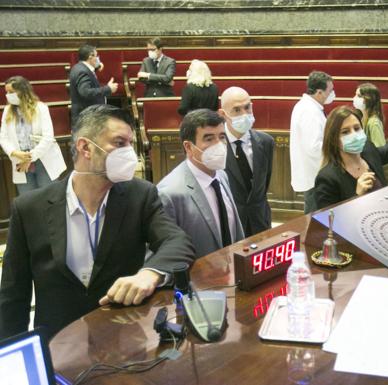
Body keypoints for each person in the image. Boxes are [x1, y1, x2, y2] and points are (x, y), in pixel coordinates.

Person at [0, 104, 195, 339]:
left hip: (124, 338)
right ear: (85, 148)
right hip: (59, 343)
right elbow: (13, 295)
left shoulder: (140, 195)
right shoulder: (30, 208)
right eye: (119, 143)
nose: (130, 154)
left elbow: (177, 241)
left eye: (130, 145)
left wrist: (149, 273)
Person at [157, 108, 244, 257]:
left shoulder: (221, 176)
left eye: (222, 137)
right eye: (209, 139)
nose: (219, 145)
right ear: (189, 147)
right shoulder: (168, 193)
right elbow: (165, 254)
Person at [219, 86, 275, 236]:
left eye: (247, 107)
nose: (244, 114)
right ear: (223, 114)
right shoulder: (215, 147)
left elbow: (263, 185)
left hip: (260, 222)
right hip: (230, 225)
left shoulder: (266, 142)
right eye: (237, 110)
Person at [1, 76, 66, 194]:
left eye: (11, 92)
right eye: (7, 92)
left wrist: (30, 158)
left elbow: (48, 137)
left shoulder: (40, 108)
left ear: (22, 91)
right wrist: (15, 153)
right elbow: (3, 137)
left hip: (43, 159)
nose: (8, 95)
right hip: (20, 160)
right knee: (28, 201)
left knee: (49, 198)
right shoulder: (7, 111)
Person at [290, 71, 335, 213]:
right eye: (330, 90)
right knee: (315, 219)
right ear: (319, 92)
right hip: (315, 176)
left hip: (315, 174)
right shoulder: (309, 111)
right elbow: (314, 147)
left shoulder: (310, 107)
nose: (333, 94)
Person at [69, 44, 118, 131]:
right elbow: (85, 92)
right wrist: (108, 89)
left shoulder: (78, 67)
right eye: (96, 56)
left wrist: (95, 67)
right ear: (90, 56)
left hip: (86, 116)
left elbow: (87, 78)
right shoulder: (82, 71)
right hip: (87, 118)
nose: (98, 59)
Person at [353, 82, 386, 147]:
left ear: (369, 99)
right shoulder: (361, 117)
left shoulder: (374, 123)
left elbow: (380, 148)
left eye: (359, 96)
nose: (354, 98)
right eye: (355, 95)